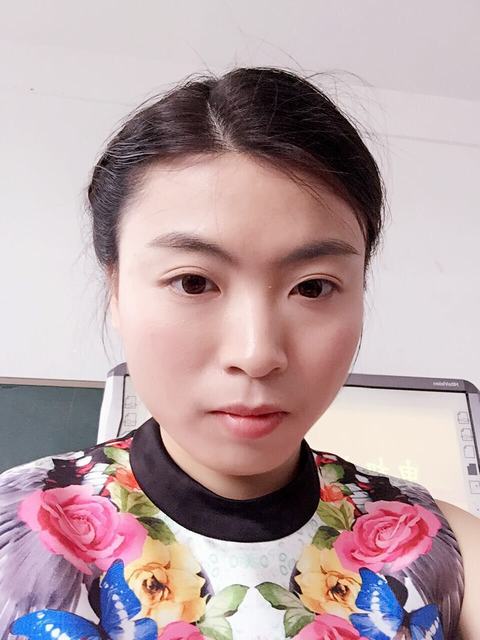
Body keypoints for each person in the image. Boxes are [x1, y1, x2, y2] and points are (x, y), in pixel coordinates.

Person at [0, 67, 478, 640]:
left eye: (313, 287)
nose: (257, 354)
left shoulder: (438, 546)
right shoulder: (12, 540)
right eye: (194, 282)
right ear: (116, 291)